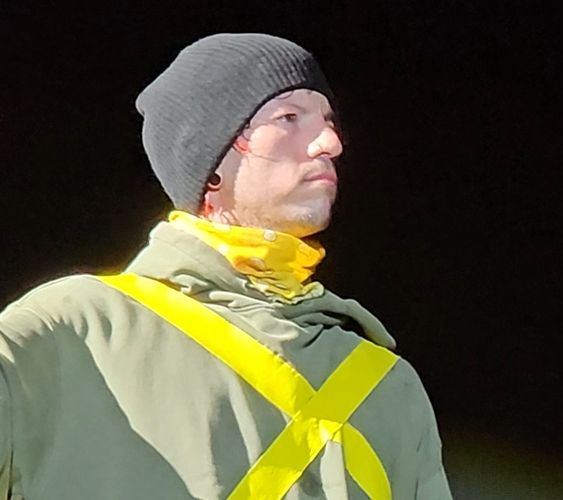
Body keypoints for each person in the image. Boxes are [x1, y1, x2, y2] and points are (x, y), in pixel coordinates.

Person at [0, 33, 451, 499]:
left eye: (329, 122)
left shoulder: (388, 387)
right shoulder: (76, 332)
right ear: (210, 159)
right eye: (289, 118)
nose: (330, 143)